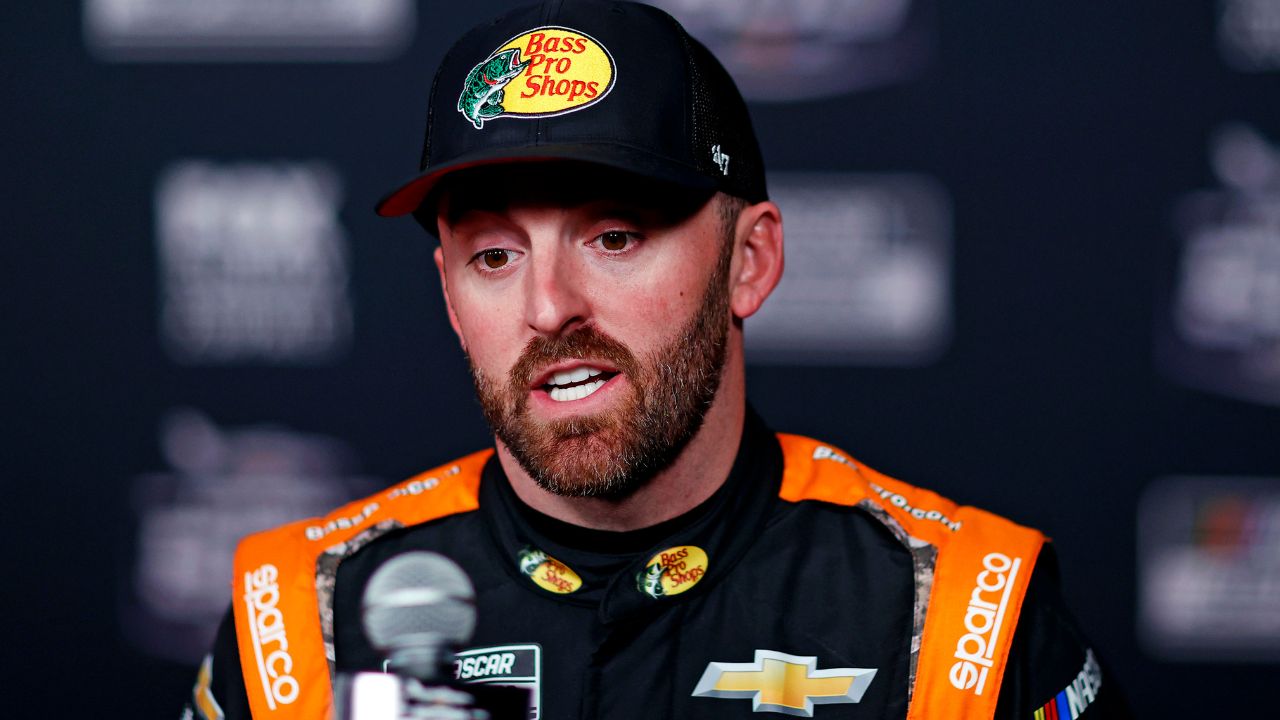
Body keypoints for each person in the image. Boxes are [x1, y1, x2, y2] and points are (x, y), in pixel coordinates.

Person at [186, 2, 1126, 719]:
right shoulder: (298, 626)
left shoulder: (967, 612)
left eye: (617, 236)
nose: (549, 306)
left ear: (747, 263)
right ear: (448, 295)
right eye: (495, 256)